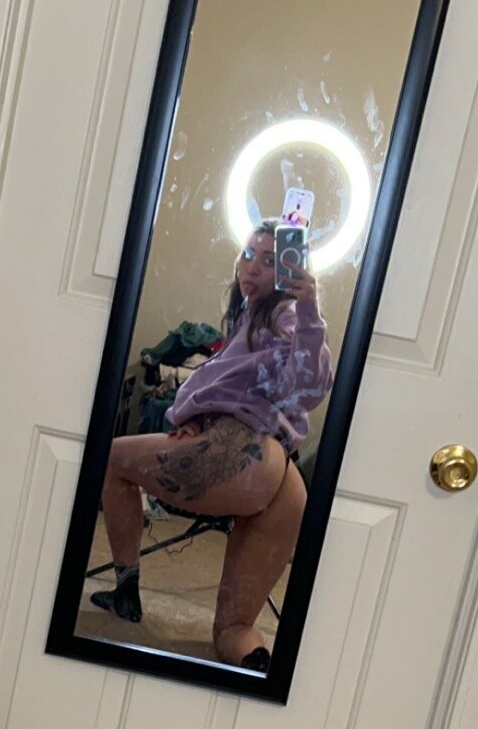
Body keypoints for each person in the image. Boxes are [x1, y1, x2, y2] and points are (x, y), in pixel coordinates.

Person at [91, 223, 334, 672]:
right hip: (284, 480)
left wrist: (309, 308)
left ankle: (126, 589)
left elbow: (307, 386)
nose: (253, 267)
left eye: (270, 260)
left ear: (290, 271)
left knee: (109, 458)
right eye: (249, 254)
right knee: (232, 631)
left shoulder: (286, 315)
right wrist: (197, 416)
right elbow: (241, 385)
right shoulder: (251, 319)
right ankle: (256, 671)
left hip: (245, 454)